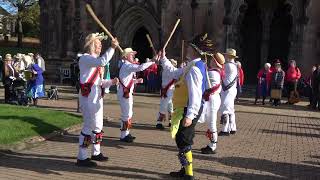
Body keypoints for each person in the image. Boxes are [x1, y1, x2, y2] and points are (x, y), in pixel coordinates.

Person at [169, 33, 209, 180]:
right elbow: (175, 73)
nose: (186, 50)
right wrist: (163, 60)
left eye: (189, 48)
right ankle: (184, 169)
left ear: (194, 51)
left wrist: (190, 115)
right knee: (181, 139)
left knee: (184, 140)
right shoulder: (193, 65)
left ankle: (189, 174)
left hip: (189, 108)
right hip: (187, 107)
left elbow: (196, 94)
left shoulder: (194, 69)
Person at [76, 33, 119, 167]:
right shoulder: (85, 58)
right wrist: (112, 48)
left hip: (97, 97)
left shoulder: (95, 61)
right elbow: (103, 61)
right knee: (88, 125)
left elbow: (99, 82)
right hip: (88, 97)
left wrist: (111, 82)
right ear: (91, 45)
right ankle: (82, 157)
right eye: (98, 44)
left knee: (98, 126)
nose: (100, 46)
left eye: (101, 44)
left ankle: (96, 153)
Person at [117, 48, 155, 143]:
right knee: (126, 114)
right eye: (131, 54)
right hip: (125, 93)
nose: (133, 56)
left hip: (126, 92)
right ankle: (123, 135)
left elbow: (126, 80)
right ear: (125, 56)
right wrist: (152, 61)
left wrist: (136, 81)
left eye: (133, 54)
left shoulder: (127, 65)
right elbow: (140, 68)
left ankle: (126, 133)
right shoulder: (127, 65)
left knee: (129, 113)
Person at [200, 52, 225, 154]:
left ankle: (213, 145)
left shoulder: (213, 73)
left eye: (212, 59)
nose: (210, 61)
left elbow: (204, 83)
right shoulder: (214, 71)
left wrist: (203, 68)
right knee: (210, 122)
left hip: (212, 99)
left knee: (212, 122)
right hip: (213, 98)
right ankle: (211, 144)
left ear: (215, 62)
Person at [218, 48, 239, 136]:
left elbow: (219, 71)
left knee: (225, 110)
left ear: (228, 56)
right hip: (232, 90)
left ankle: (225, 130)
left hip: (227, 90)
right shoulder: (234, 65)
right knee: (230, 109)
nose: (225, 56)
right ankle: (232, 128)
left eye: (226, 55)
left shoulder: (228, 65)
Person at [156, 58, 180, 129]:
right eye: (174, 64)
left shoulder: (168, 70)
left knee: (170, 107)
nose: (175, 65)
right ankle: (159, 123)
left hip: (170, 90)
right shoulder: (169, 70)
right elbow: (176, 77)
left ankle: (170, 121)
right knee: (163, 106)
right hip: (167, 90)